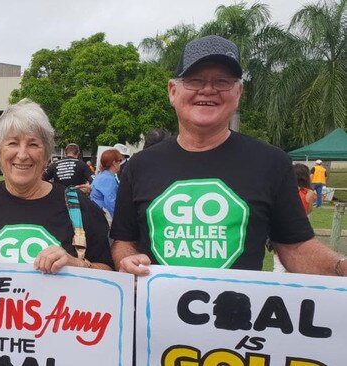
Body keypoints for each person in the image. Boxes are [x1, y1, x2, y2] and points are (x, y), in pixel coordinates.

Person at [111, 35, 346, 277]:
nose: (208, 90)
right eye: (195, 80)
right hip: (155, 311)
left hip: (240, 312)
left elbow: (295, 247)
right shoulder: (140, 165)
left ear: (238, 93)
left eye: (222, 82)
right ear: (173, 91)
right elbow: (123, 241)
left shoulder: (271, 163)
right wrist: (126, 258)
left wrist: (340, 267)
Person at [0, 99, 113, 273]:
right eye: (13, 143)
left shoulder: (80, 207)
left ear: (47, 155)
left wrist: (76, 264)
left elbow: (110, 275)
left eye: (33, 144)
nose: (23, 154)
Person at [273, 163, 318, 272]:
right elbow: (309, 210)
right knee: (301, 259)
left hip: (282, 225)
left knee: (279, 263)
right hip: (301, 228)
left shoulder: (285, 190)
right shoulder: (309, 193)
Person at [90, 149, 123, 219]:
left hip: (95, 213)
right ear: (114, 163)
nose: (121, 163)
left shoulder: (102, 175)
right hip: (102, 215)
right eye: (120, 161)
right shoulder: (108, 179)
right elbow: (110, 202)